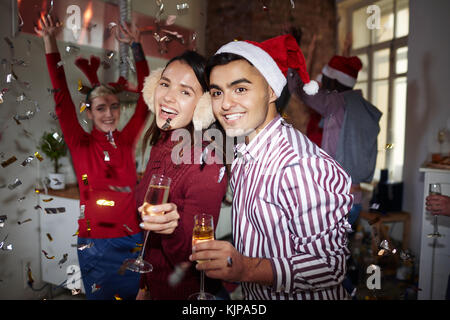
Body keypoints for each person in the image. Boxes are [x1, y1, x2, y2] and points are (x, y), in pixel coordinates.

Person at [190, 34, 354, 300]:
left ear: (272, 91)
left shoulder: (301, 165)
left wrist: (245, 270)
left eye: (240, 89)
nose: (225, 104)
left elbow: (330, 266)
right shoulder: (246, 152)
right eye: (217, 92)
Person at [37, 15, 150, 299]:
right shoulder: (80, 143)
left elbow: (148, 96)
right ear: (89, 112)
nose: (109, 113)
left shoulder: (125, 141)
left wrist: (137, 46)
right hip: (94, 245)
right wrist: (50, 40)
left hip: (130, 240)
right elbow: (61, 96)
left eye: (114, 107)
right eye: (100, 108)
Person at [135, 50, 229, 300]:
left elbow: (194, 256)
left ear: (204, 107)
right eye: (164, 84)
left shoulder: (207, 161)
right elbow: (149, 236)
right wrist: (144, 285)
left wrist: (171, 228)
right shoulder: (162, 142)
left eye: (185, 91)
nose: (167, 97)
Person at [290, 54, 382, 228]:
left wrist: (292, 60)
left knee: (319, 253)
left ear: (332, 81)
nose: (322, 82)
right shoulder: (366, 108)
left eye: (325, 77)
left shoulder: (336, 102)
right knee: (338, 253)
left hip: (335, 202)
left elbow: (300, 91)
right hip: (355, 201)